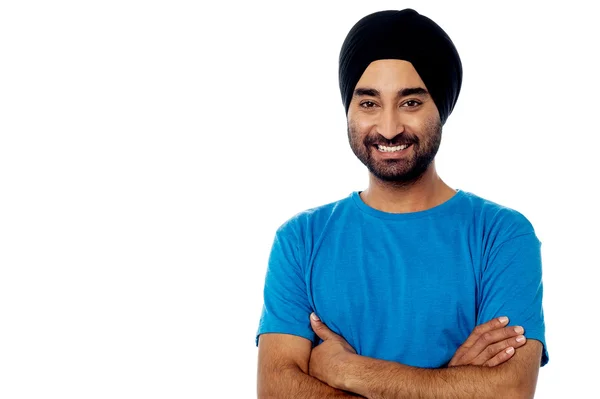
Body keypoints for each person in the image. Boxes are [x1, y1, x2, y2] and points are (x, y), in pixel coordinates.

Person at [255, 8, 548, 398]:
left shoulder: (501, 235)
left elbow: (509, 391)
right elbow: (276, 390)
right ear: (349, 110)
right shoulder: (301, 240)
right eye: (369, 103)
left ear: (440, 109)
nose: (389, 128)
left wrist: (347, 370)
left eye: (410, 103)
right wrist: (450, 384)